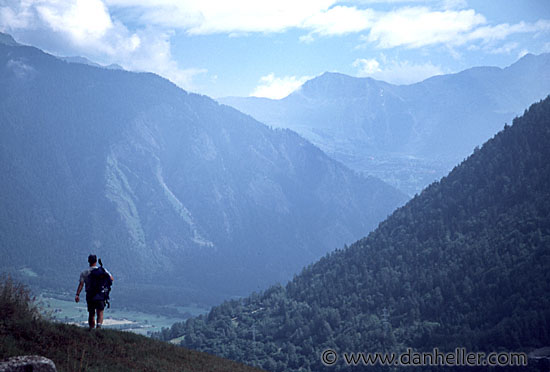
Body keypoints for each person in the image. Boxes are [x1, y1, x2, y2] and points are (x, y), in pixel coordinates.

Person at [75, 254, 114, 330]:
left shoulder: (84, 272)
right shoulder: (102, 270)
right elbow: (111, 279)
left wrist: (77, 294)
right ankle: (98, 328)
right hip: (100, 295)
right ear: (96, 261)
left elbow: (81, 284)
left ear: (88, 261)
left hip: (90, 295)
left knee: (91, 313)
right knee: (100, 312)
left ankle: (91, 329)